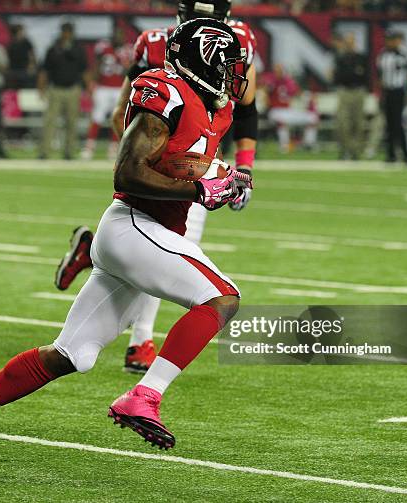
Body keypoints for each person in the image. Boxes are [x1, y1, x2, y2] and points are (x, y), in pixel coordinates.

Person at [0, 17, 251, 472]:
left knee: (71, 354)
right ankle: (145, 394)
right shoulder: (167, 92)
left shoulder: (213, 108)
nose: (236, 74)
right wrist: (200, 191)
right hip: (133, 226)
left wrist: (225, 178)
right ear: (203, 61)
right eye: (228, 64)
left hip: (144, 235)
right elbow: (128, 172)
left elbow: (184, 162)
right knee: (222, 298)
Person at [54, 0, 258, 374]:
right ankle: (140, 344)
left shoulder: (238, 40)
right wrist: (163, 159)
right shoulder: (156, 48)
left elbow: (246, 109)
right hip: (167, 167)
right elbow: (125, 118)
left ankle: (95, 258)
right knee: (174, 254)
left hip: (198, 164)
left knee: (165, 250)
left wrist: (236, 168)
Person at [80, 26, 132, 160]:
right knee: (97, 117)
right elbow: (96, 66)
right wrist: (92, 83)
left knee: (117, 119)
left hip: (119, 88)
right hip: (103, 87)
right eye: (117, 35)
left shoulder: (126, 51)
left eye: (121, 36)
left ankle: (113, 148)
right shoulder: (104, 48)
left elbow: (130, 71)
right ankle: (89, 147)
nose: (119, 38)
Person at [39, 22, 87, 160]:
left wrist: (89, 89)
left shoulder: (78, 49)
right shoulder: (53, 49)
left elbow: (84, 70)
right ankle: (44, 152)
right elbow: (45, 70)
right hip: (55, 89)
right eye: (64, 31)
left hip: (72, 89)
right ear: (61, 32)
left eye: (68, 31)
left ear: (72, 33)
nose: (66, 34)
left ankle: (69, 152)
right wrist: (41, 88)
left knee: (71, 122)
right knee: (50, 122)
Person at [376, 30, 407, 164]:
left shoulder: (405, 52)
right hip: (387, 91)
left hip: (400, 91)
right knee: (389, 124)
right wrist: (380, 93)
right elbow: (379, 74)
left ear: (398, 40)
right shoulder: (383, 53)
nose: (390, 42)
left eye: (392, 39)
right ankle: (391, 155)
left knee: (400, 123)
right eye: (388, 39)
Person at [264, 63, 318, 153]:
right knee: (281, 120)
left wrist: (309, 97)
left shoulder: (288, 81)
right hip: (275, 110)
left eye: (280, 69)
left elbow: (297, 93)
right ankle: (284, 145)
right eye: (277, 70)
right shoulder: (271, 79)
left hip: (287, 110)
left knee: (313, 118)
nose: (279, 72)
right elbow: (265, 91)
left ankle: (309, 144)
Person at [334, 32, 368, 160]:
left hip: (358, 91)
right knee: (343, 122)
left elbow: (366, 76)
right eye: (347, 42)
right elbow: (336, 77)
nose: (349, 44)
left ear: (355, 43)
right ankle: (345, 149)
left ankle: (355, 151)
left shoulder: (361, 57)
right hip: (344, 91)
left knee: (358, 123)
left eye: (351, 42)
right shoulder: (340, 58)